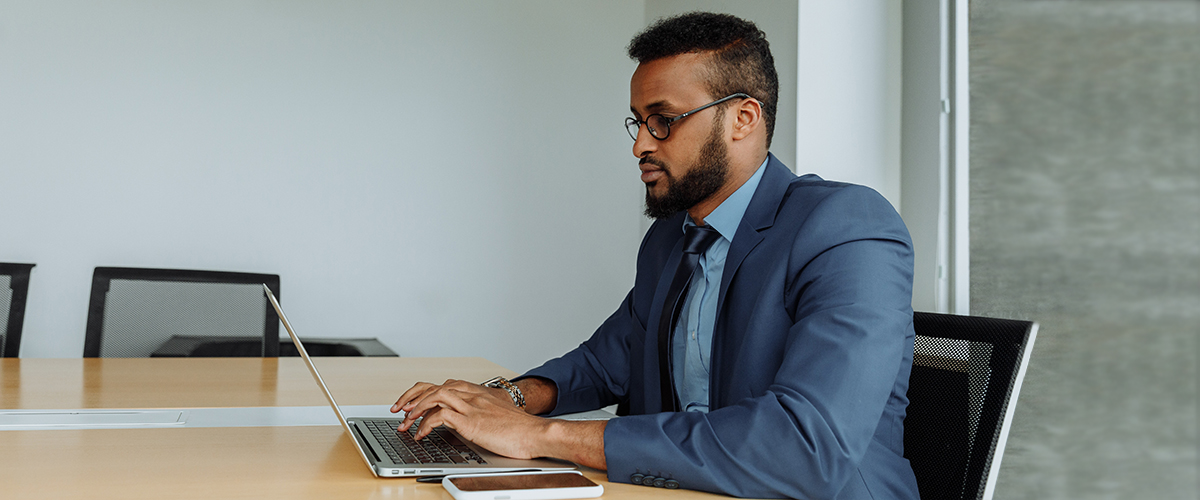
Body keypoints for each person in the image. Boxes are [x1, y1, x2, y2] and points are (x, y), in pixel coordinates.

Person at [392, 12, 920, 499]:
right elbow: (606, 362)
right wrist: (504, 401)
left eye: (663, 119)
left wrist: (539, 435)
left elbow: (804, 448)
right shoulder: (673, 235)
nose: (641, 144)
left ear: (742, 118)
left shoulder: (847, 228)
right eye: (638, 121)